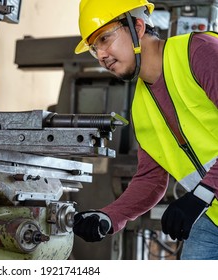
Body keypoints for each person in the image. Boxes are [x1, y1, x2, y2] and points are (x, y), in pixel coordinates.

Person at [72, 0, 218, 259]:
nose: (102, 54)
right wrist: (109, 216)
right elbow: (151, 180)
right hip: (213, 217)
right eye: (94, 49)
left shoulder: (198, 52)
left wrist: (202, 195)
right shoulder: (140, 106)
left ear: (138, 26)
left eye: (105, 38)